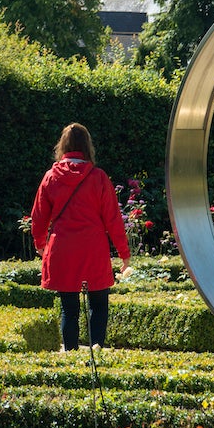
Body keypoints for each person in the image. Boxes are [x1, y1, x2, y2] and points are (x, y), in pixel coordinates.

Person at [31, 123, 131, 352]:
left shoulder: (50, 177)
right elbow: (113, 219)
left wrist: (40, 244)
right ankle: (96, 351)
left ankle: (71, 356)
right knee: (98, 304)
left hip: (62, 248)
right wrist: (124, 253)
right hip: (93, 248)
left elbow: (38, 217)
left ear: (62, 146)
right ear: (88, 146)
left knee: (69, 308)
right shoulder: (98, 177)